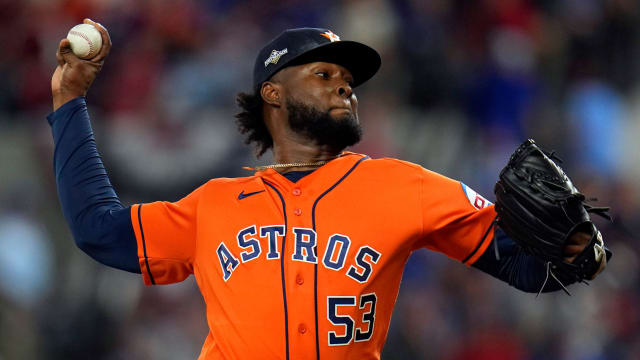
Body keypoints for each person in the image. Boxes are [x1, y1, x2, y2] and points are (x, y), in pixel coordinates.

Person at [49, 19, 602, 360]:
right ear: (272, 92)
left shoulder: (403, 185)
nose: (344, 84)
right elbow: (99, 229)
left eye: (348, 78)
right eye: (322, 73)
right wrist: (69, 103)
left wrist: (577, 250)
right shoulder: (213, 204)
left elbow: (531, 268)